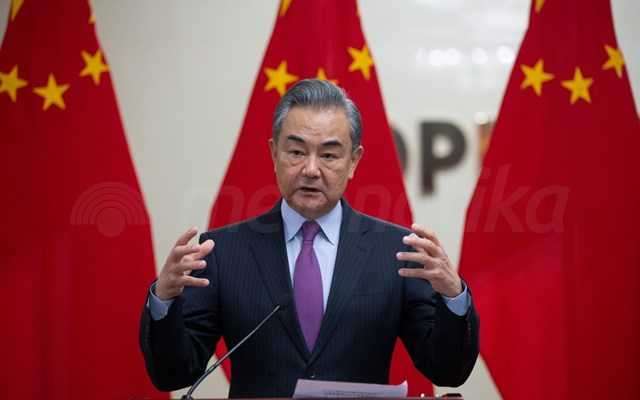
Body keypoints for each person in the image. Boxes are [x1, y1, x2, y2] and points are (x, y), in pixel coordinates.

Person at [139, 79, 479, 398]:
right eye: (296, 152)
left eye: (329, 155)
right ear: (274, 153)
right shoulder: (223, 253)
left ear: (353, 161)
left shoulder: (396, 253)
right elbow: (174, 375)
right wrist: (164, 300)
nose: (311, 169)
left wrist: (453, 296)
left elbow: (447, 371)